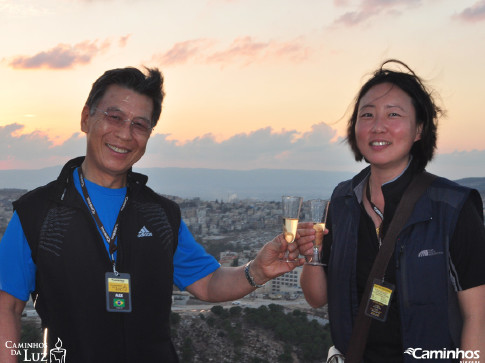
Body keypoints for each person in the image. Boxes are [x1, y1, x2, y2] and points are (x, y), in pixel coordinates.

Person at [0, 66, 304, 363]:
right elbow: (7, 308)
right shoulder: (36, 213)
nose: (124, 134)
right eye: (114, 117)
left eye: (139, 124)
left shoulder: (161, 214)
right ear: (85, 117)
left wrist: (258, 271)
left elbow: (207, 283)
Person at [296, 60, 485, 362]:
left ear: (419, 129)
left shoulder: (453, 206)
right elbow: (316, 298)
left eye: (393, 114)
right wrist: (311, 254)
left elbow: (478, 318)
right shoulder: (343, 201)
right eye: (367, 114)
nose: (377, 125)